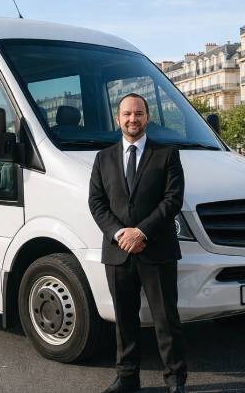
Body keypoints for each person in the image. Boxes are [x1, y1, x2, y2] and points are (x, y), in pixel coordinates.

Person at [89, 93, 187, 393]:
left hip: (156, 249)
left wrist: (140, 232)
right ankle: (127, 378)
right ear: (118, 119)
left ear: (147, 117)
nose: (133, 119)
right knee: (125, 321)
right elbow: (96, 203)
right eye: (127, 114)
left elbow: (173, 200)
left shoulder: (167, 154)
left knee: (165, 320)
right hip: (118, 253)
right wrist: (121, 234)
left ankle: (175, 381)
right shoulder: (103, 158)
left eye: (139, 113)